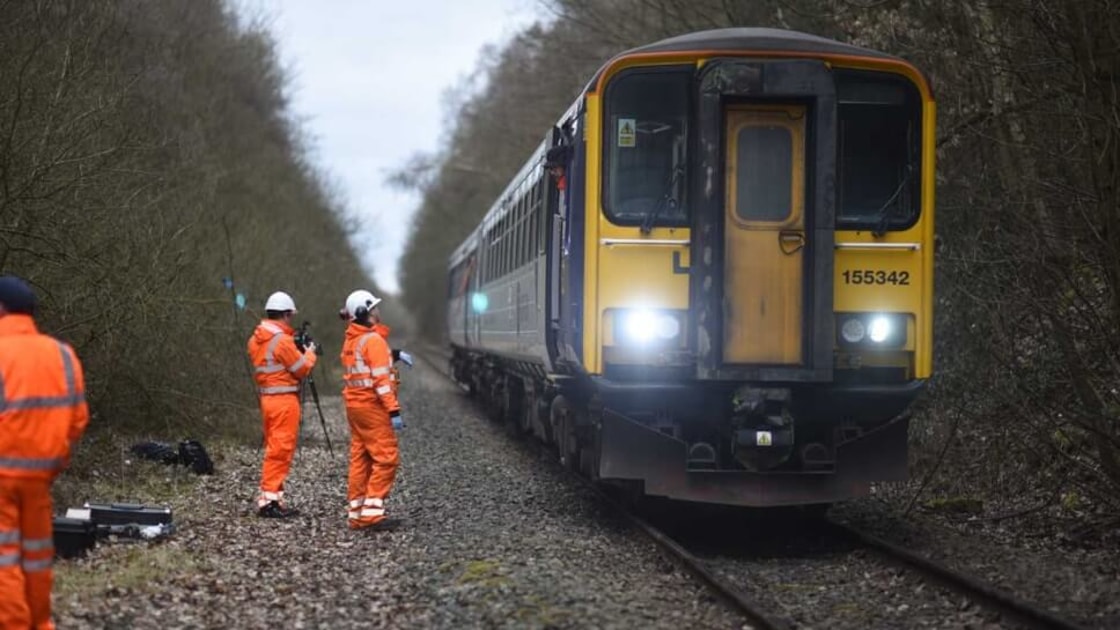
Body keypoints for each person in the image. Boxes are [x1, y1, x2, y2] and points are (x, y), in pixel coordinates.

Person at [0, 275, 89, 629]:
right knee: (36, 558)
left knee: (4, 561)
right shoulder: (62, 355)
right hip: (40, 478)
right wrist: (53, 456)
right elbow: (78, 418)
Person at [247, 291, 318, 518]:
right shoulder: (282, 341)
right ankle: (268, 502)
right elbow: (301, 369)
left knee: (275, 448)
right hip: (284, 401)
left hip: (267, 400)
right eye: (290, 315)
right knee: (280, 451)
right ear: (286, 314)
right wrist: (310, 354)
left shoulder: (255, 339)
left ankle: (274, 498)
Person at [339, 290, 403, 532]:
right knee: (386, 458)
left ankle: (356, 512)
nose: (378, 311)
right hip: (372, 407)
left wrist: (393, 355)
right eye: (374, 307)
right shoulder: (373, 340)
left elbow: (365, 366)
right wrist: (393, 410)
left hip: (354, 407)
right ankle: (372, 513)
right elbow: (381, 382)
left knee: (361, 458)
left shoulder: (352, 340)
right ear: (365, 312)